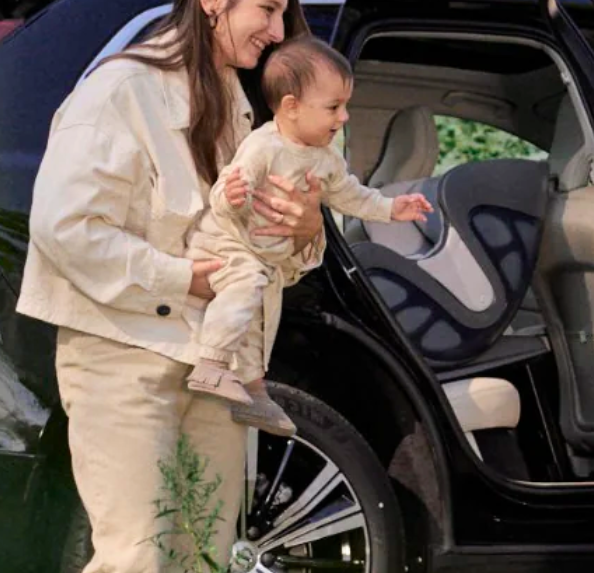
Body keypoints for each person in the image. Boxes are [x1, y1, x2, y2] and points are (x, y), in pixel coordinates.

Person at [17, 0, 326, 573]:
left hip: (218, 370)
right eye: (266, 11)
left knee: (197, 566)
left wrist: (304, 230)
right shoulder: (117, 92)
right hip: (119, 356)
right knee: (132, 563)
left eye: (282, 15)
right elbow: (65, 227)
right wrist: (179, 278)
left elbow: (275, 261)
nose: (278, 32)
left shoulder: (246, 110)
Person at [184, 38, 433, 434]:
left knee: (260, 318)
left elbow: (350, 194)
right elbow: (226, 193)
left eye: (345, 105)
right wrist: (231, 196)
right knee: (245, 288)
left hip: (264, 259)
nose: (344, 117)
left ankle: (251, 391)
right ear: (291, 107)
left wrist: (390, 208)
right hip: (226, 241)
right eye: (334, 107)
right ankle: (210, 366)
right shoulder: (264, 147)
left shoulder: (327, 157)